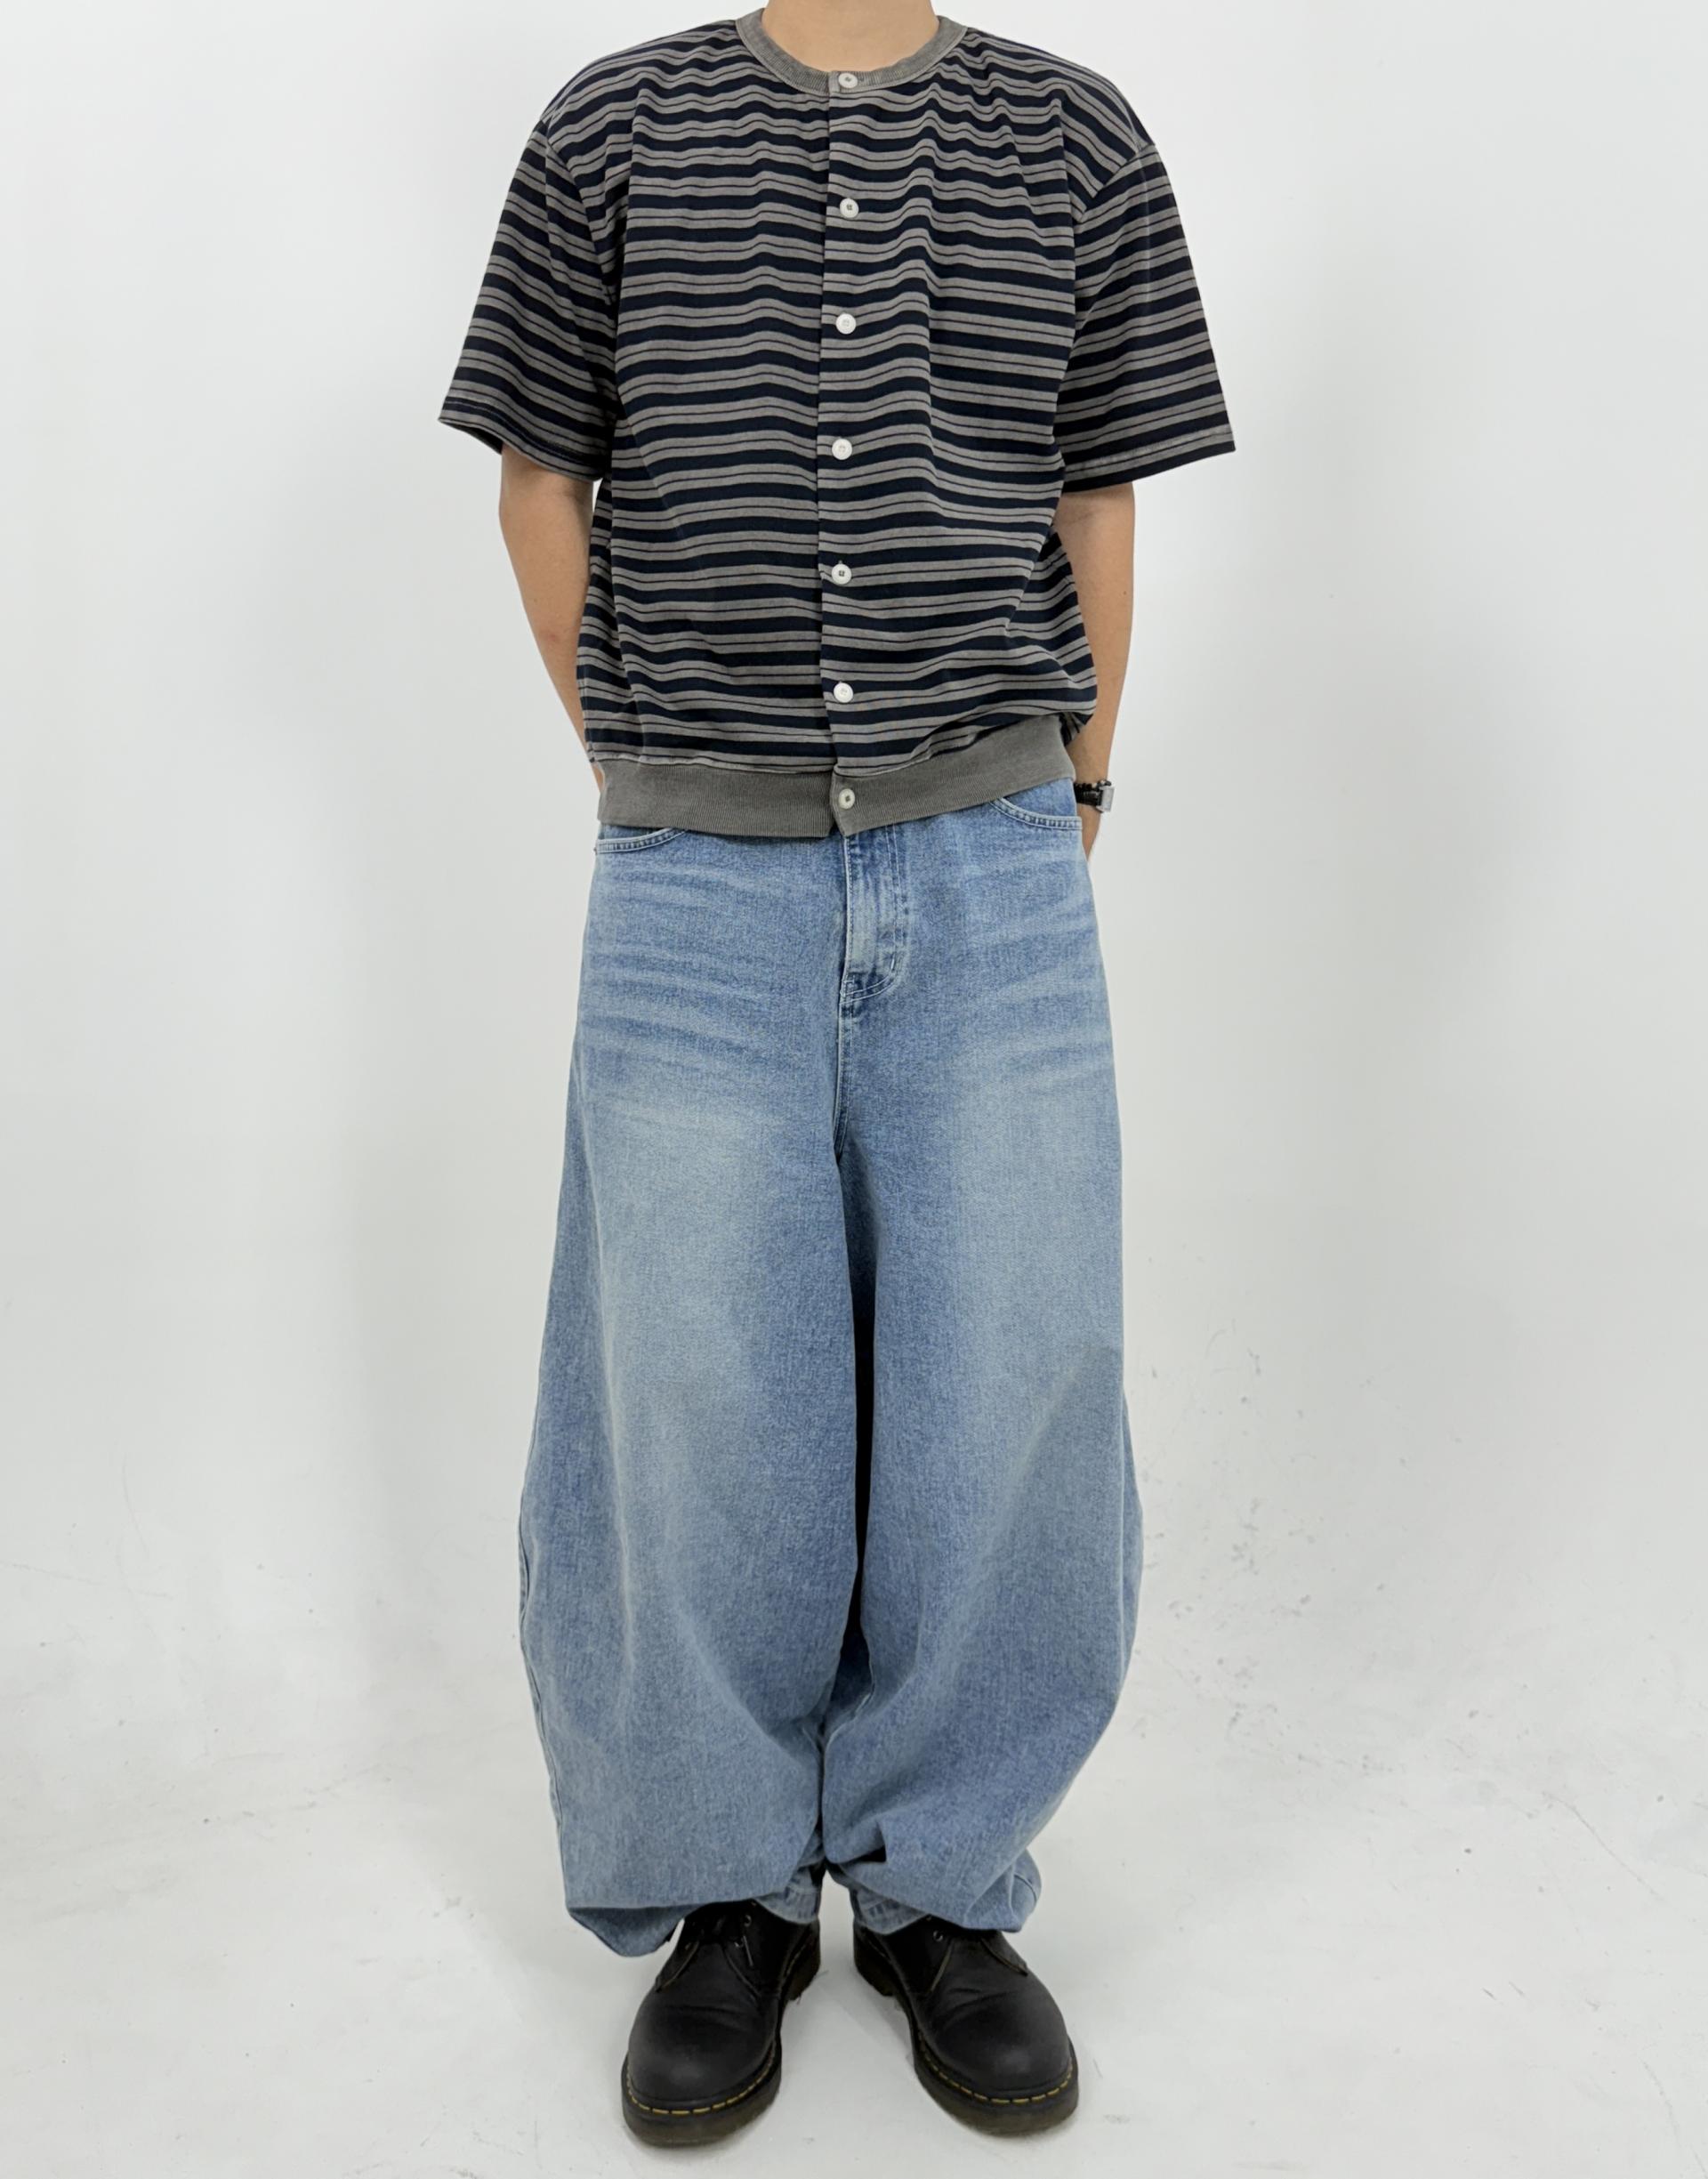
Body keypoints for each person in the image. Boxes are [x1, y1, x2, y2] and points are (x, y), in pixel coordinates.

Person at [439, 0, 1233, 2142]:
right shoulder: (612, 128)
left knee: (1013, 1371)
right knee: (692, 1388)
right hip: (693, 870)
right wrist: (642, 763)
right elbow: (539, 477)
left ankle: (943, 1883)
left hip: (996, 856)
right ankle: (727, 1893)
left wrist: (1078, 790)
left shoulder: (1076, 138)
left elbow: (1094, 489)